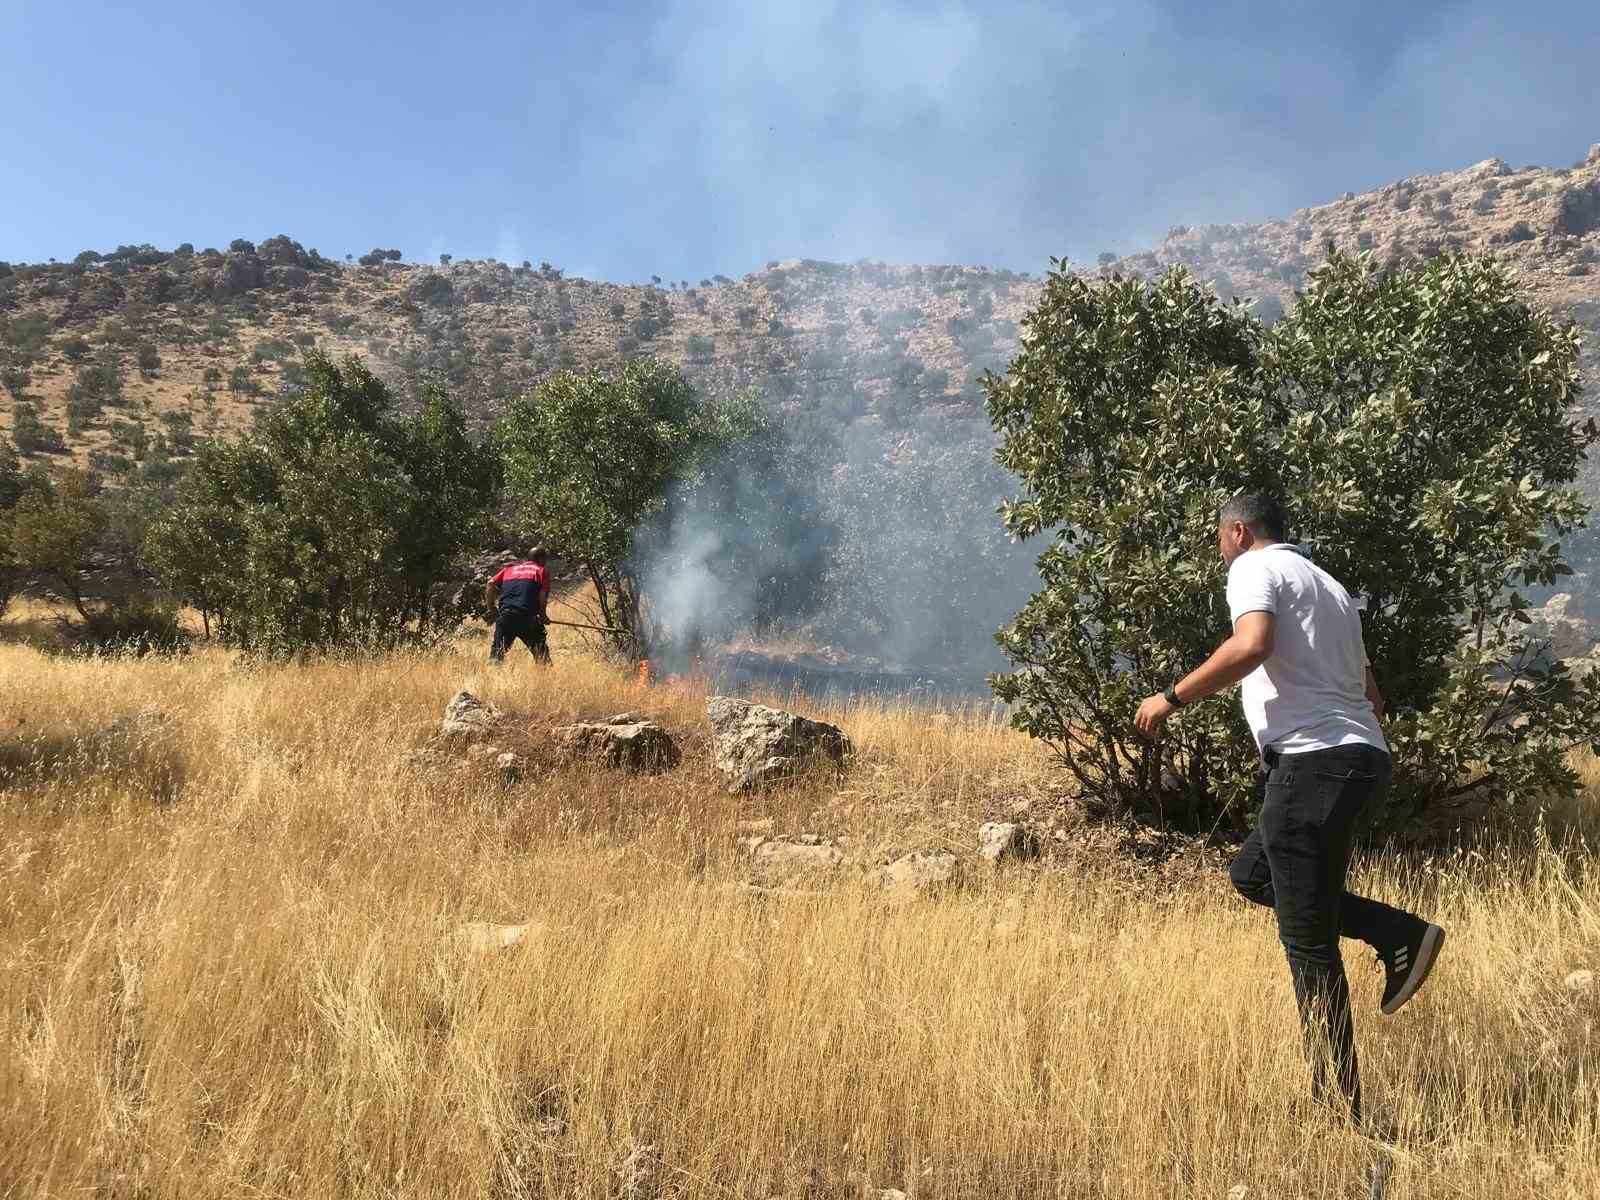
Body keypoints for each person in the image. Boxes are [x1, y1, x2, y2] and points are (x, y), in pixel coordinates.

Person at [1134, 492, 1445, 1124]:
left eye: (1219, 538)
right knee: (1253, 876)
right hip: (1360, 759)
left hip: (1312, 766)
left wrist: (1172, 695)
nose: (1219, 550)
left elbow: (1250, 645)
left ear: (1239, 532)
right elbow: (1371, 696)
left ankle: (1338, 1108)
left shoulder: (1253, 568)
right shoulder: (1328, 587)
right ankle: (1397, 932)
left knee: (1307, 942)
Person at [485, 547, 551, 664]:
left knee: (496, 658)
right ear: (540, 559)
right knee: (542, 658)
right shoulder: (540, 571)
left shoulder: (509, 569)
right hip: (527, 618)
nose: (546, 562)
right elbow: (542, 596)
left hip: (505, 617)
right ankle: (546, 679)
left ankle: (490, 680)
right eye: (545, 559)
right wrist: (542, 615)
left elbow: (490, 583)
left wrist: (492, 608)